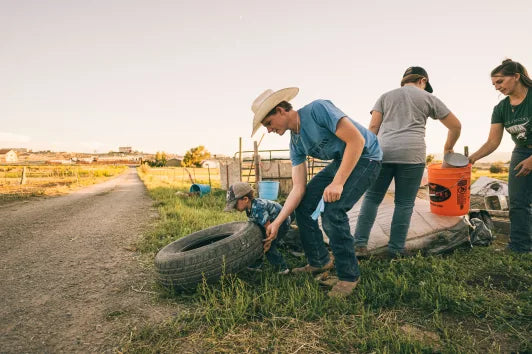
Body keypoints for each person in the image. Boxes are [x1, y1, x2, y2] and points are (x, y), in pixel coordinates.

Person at [250, 87, 382, 298]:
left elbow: (357, 141)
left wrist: (338, 183)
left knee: (332, 210)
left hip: (367, 157)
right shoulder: (295, 141)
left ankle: (349, 276)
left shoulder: (317, 109)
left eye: (268, 123)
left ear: (280, 110)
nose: (269, 130)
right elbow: (298, 188)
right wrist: (277, 222)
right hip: (342, 160)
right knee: (304, 205)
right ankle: (319, 260)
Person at [353, 66, 462, 257]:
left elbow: (373, 126)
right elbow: (456, 125)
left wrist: (368, 154)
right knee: (404, 203)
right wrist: (448, 148)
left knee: (371, 198)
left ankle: (359, 244)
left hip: (383, 153)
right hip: (412, 155)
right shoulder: (429, 98)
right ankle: (396, 249)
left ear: (404, 80)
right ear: (423, 81)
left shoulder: (385, 96)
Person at [468, 59, 532, 254]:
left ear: (516, 77)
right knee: (518, 201)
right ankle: (520, 247)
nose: (497, 87)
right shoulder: (501, 108)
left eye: (500, 82)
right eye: (494, 84)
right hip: (521, 151)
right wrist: (472, 158)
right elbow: (493, 142)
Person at [224, 181, 291, 274]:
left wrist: (268, 241)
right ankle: (257, 264)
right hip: (271, 222)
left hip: (281, 223)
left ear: (245, 199)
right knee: (258, 240)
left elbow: (269, 229)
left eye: (235, 204)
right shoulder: (249, 207)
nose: (234, 208)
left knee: (267, 245)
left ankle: (282, 268)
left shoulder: (258, 209)